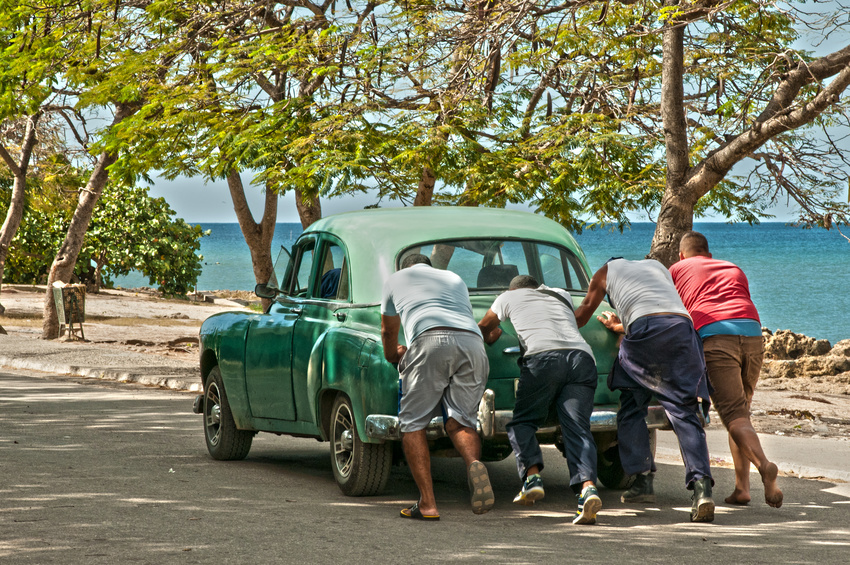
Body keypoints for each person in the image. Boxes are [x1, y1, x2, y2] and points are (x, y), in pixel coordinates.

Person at [573, 258, 716, 523]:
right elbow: (658, 306)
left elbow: (584, 311)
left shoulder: (605, 271)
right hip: (682, 328)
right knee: (683, 410)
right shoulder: (657, 266)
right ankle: (702, 489)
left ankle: (642, 482)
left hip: (645, 331)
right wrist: (624, 324)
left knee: (631, 404)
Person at [670, 231, 783, 508]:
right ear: (709, 254)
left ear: (681, 255)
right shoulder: (732, 267)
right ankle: (741, 489)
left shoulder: (676, 269)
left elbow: (671, 313)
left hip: (716, 337)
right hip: (753, 334)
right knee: (740, 413)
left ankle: (764, 466)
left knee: (734, 415)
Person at [478, 275, 603, 525]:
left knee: (522, 422)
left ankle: (532, 478)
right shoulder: (561, 294)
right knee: (577, 428)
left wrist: (493, 334)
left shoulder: (507, 297)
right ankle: (588, 489)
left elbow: (482, 327)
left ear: (513, 289)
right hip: (582, 358)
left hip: (543, 359)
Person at [381, 253, 495, 521]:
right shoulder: (454, 278)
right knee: (461, 421)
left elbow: (388, 331)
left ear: (405, 267)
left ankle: (428, 504)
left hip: (430, 339)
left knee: (412, 424)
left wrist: (393, 355)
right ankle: (473, 465)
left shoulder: (395, 279)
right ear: (430, 267)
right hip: (472, 344)